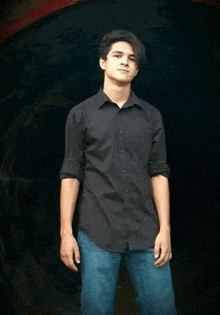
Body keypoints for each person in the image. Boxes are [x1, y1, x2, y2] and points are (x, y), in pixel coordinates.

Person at [59, 30, 177, 315]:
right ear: (103, 62)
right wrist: (65, 233)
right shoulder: (80, 114)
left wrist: (165, 230)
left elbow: (159, 172)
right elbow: (71, 172)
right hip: (97, 230)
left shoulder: (151, 116)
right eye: (117, 55)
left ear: (136, 70)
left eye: (131, 59)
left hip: (147, 233)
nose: (124, 62)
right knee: (96, 310)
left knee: (161, 309)